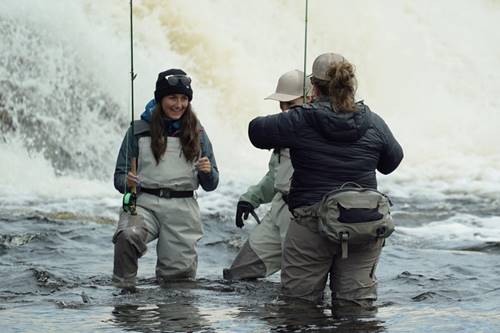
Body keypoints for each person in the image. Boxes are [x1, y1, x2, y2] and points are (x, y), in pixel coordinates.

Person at [248, 53, 403, 313]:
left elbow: (256, 131)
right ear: (350, 85)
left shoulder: (302, 119)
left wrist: (299, 114)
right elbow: (392, 162)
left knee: (299, 308)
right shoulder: (373, 121)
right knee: (357, 310)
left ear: (314, 87)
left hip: (312, 224)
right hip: (363, 225)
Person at [112, 68, 219, 291]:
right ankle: (124, 293)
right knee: (127, 236)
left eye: (183, 99)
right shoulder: (138, 131)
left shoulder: (198, 133)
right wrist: (127, 181)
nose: (178, 104)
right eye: (172, 98)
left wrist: (206, 172)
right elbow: (119, 178)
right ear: (160, 99)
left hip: (183, 210)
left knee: (177, 285)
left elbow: (212, 184)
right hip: (144, 204)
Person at [223, 69, 311, 280]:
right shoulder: (281, 131)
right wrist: (250, 198)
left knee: (298, 285)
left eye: (291, 104)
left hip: (303, 215)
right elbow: (275, 176)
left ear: (310, 98)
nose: (285, 111)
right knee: (238, 275)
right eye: (282, 105)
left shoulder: (318, 129)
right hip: (278, 210)